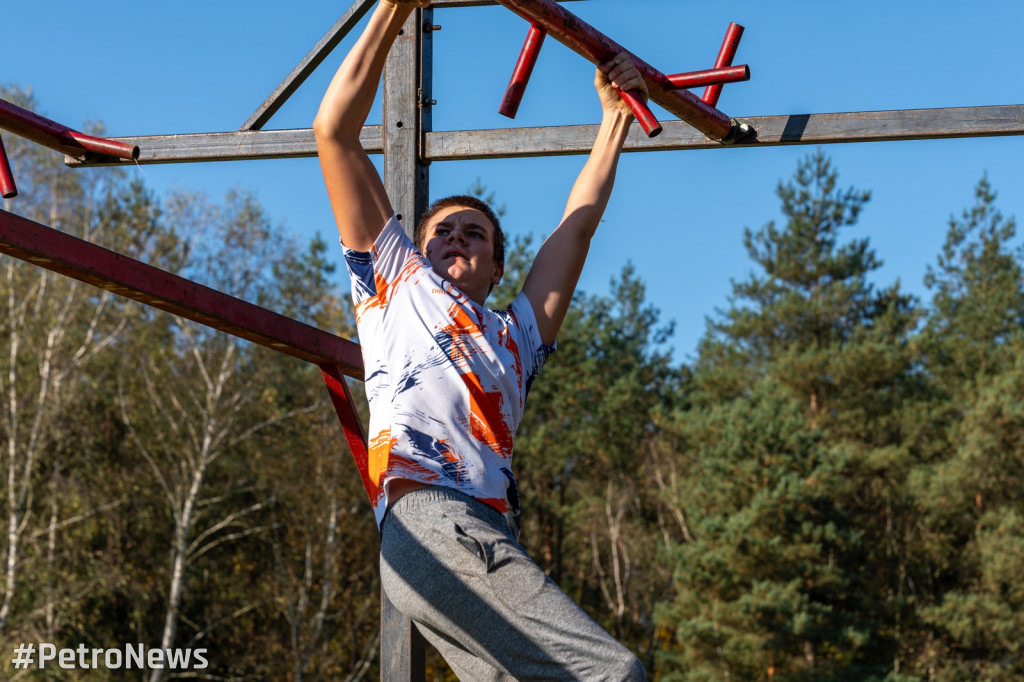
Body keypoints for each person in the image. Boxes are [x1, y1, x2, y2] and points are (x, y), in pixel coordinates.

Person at [314, 0, 648, 678]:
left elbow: (576, 229)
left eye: (476, 233)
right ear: (417, 247)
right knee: (612, 674)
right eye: (443, 230)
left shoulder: (517, 338)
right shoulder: (397, 284)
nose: (458, 236)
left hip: (481, 538)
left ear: (499, 266)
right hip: (433, 522)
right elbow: (335, 134)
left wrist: (615, 119)